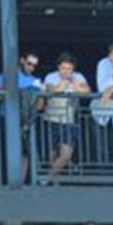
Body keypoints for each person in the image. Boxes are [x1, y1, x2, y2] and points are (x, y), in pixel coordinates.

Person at [40, 52, 91, 180]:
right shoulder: (51, 76)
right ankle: (54, 184)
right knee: (51, 155)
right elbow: (48, 89)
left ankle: (46, 179)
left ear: (73, 69)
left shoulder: (78, 77)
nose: (65, 71)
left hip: (70, 121)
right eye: (63, 68)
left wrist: (74, 85)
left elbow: (87, 90)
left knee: (66, 154)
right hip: (51, 120)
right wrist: (59, 87)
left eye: (69, 69)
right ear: (58, 67)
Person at [0, 52, 45, 183]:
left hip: (28, 121)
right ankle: (8, 182)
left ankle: (21, 181)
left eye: (34, 66)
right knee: (11, 151)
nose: (31, 68)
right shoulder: (8, 75)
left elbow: (40, 106)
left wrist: (40, 94)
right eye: (29, 64)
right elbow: (0, 93)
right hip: (9, 120)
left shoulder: (35, 81)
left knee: (26, 152)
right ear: (22, 61)